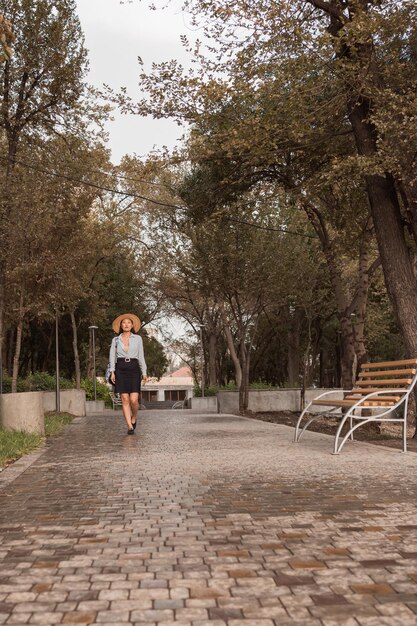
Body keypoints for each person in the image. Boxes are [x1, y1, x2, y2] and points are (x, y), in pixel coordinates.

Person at [109, 313, 147, 435]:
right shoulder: (115, 340)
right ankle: (130, 427)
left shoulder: (138, 339)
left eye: (128, 322)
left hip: (134, 369)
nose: (126, 324)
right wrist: (112, 372)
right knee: (125, 399)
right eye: (124, 322)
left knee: (134, 400)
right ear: (121, 325)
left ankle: (134, 417)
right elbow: (112, 357)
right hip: (120, 369)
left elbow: (141, 356)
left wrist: (144, 372)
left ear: (132, 325)